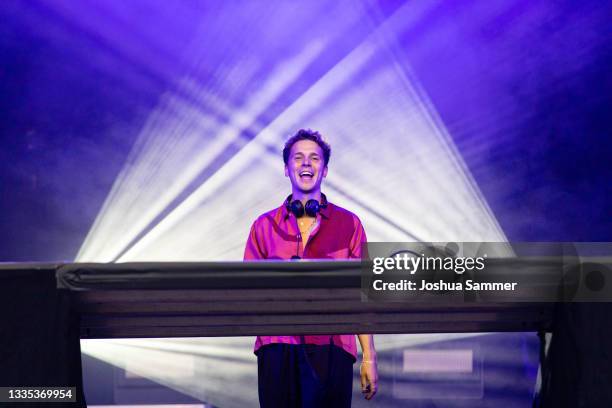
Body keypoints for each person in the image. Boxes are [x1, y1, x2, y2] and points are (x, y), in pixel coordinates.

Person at [244, 129, 378, 407]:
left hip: (333, 346)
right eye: (299, 158)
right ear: (286, 169)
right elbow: (247, 292)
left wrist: (369, 356)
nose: (306, 163)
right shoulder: (263, 226)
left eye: (314, 158)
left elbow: (363, 295)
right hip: (277, 345)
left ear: (325, 170)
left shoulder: (349, 224)